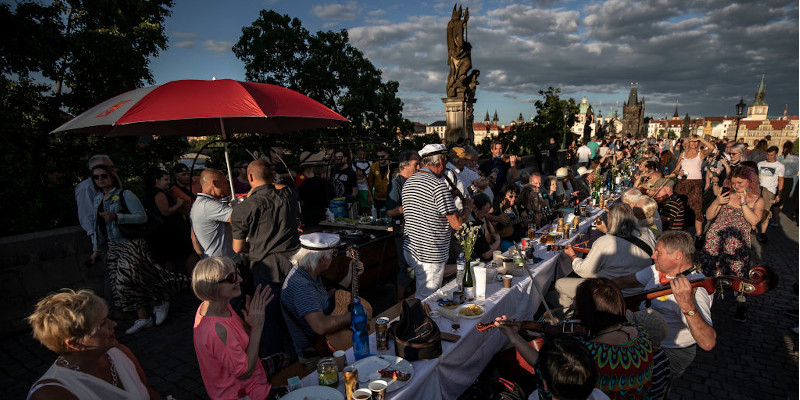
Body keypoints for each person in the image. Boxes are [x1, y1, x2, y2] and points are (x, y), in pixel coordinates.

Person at [497, 278, 653, 399]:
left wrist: (514, 337)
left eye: (576, 304)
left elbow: (546, 371)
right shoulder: (641, 334)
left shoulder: (590, 355)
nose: (572, 306)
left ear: (588, 312)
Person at [89, 164, 186, 334]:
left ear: (112, 176)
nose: (100, 180)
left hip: (131, 242)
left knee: (129, 280)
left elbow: (142, 217)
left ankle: (158, 302)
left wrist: (117, 216)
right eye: (96, 177)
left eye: (103, 176)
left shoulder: (125, 194)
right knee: (125, 284)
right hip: (113, 244)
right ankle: (144, 317)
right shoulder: (98, 199)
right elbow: (97, 226)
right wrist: (96, 248)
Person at [613, 231, 716, 381]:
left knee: (621, 372)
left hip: (670, 350)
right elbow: (625, 282)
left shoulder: (695, 289)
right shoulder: (659, 269)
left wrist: (687, 305)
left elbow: (707, 342)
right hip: (646, 337)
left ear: (677, 256)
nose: (653, 256)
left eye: (658, 253)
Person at [27, 289, 162, 400]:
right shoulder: (51, 394)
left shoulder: (120, 352)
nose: (113, 324)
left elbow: (149, 393)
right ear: (75, 343)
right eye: (103, 323)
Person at [231, 159, 300, 357]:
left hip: (265, 266)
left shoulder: (244, 208)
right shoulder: (288, 194)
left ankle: (276, 357)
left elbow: (237, 247)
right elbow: (278, 185)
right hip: (292, 262)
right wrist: (268, 180)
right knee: (296, 310)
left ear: (250, 177)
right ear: (272, 177)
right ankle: (303, 350)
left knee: (268, 317)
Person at [191, 257, 284, 400]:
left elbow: (236, 342)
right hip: (245, 393)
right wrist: (257, 327)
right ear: (213, 287)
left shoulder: (217, 305)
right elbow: (244, 372)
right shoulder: (217, 330)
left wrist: (249, 325)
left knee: (285, 358)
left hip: (254, 378)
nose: (239, 279)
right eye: (232, 277)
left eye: (237, 272)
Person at [281, 233, 363, 369]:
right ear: (321, 259)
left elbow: (321, 299)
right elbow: (320, 326)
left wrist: (350, 276)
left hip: (325, 344)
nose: (332, 258)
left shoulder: (307, 273)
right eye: (332, 254)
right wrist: (351, 316)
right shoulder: (302, 285)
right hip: (316, 357)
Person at [402, 144, 472, 299]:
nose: (446, 167)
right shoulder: (438, 186)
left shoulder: (409, 181)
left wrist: (449, 198)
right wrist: (467, 207)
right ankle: (420, 322)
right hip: (429, 254)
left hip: (411, 248)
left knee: (422, 292)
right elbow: (457, 224)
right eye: (446, 162)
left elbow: (425, 208)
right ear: (440, 160)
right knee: (427, 300)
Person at [555, 202, 655, 309]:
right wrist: (607, 231)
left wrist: (573, 257)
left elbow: (584, 271)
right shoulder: (647, 233)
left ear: (612, 220)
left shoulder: (605, 242)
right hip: (642, 291)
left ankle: (571, 320)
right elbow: (623, 244)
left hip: (610, 293)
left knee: (560, 284)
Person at [698, 166, 763, 322]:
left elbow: (754, 221)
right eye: (733, 182)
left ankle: (741, 306)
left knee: (738, 276)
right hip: (715, 240)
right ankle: (704, 304)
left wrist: (743, 203)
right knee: (709, 273)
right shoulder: (726, 193)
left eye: (740, 183)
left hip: (737, 243)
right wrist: (717, 202)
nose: (736, 186)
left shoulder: (757, 199)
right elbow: (708, 215)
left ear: (750, 182)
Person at [143, 168, 196, 275]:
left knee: (173, 258)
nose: (168, 182)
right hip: (169, 231)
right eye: (166, 179)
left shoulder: (154, 193)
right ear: (157, 181)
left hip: (167, 231)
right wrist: (179, 204)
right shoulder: (159, 194)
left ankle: (172, 279)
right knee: (188, 252)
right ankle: (190, 277)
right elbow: (165, 211)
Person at [386, 151, 421, 301]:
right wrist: (412, 205)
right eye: (415, 164)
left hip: (415, 230)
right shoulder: (396, 183)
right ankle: (399, 303)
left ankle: (413, 298)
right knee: (406, 267)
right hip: (403, 231)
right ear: (405, 165)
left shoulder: (416, 180)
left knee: (416, 267)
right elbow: (390, 212)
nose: (419, 167)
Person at [669, 135, 712, 237]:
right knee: (681, 207)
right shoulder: (683, 154)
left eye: (696, 142)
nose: (693, 143)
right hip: (682, 183)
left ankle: (698, 234)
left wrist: (701, 139)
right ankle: (681, 230)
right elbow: (676, 169)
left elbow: (711, 148)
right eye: (692, 141)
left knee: (697, 208)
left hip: (695, 183)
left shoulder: (700, 154)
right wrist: (678, 172)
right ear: (688, 143)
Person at [190, 169, 233, 258]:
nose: (227, 186)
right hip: (222, 263)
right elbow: (241, 218)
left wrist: (204, 259)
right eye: (225, 182)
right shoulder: (208, 205)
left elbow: (194, 238)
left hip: (213, 261)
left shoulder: (198, 204)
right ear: (214, 183)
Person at [76, 155, 114, 241]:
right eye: (107, 167)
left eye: (112, 167)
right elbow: (87, 214)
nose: (112, 170)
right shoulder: (86, 187)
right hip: (104, 237)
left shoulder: (109, 184)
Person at [756, 146, 785, 242]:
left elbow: (781, 180)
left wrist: (779, 194)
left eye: (771, 155)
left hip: (769, 191)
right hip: (758, 189)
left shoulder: (780, 166)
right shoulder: (760, 164)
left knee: (766, 211)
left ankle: (763, 233)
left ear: (776, 154)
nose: (769, 157)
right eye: (768, 155)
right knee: (755, 208)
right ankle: (752, 226)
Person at [777, 141, 799, 221]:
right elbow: (797, 171)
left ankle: (776, 212)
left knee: (778, 195)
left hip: (779, 179)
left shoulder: (779, 158)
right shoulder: (796, 159)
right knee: (785, 196)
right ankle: (781, 206)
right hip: (789, 179)